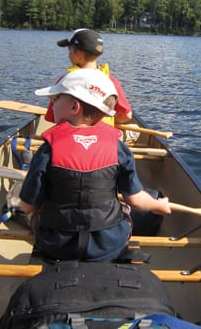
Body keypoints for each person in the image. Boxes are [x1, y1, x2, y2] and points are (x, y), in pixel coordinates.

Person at [18, 68, 171, 262]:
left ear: (74, 106)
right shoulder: (118, 148)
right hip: (108, 244)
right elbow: (137, 200)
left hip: (57, 245)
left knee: (34, 213)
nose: (52, 104)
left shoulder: (47, 149)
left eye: (56, 99)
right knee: (123, 207)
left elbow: (28, 206)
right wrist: (158, 204)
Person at [45, 28, 133, 125]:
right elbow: (127, 115)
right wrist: (109, 122)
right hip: (101, 135)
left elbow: (52, 117)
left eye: (69, 50)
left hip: (72, 136)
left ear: (78, 54)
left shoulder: (66, 80)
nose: (68, 54)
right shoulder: (110, 81)